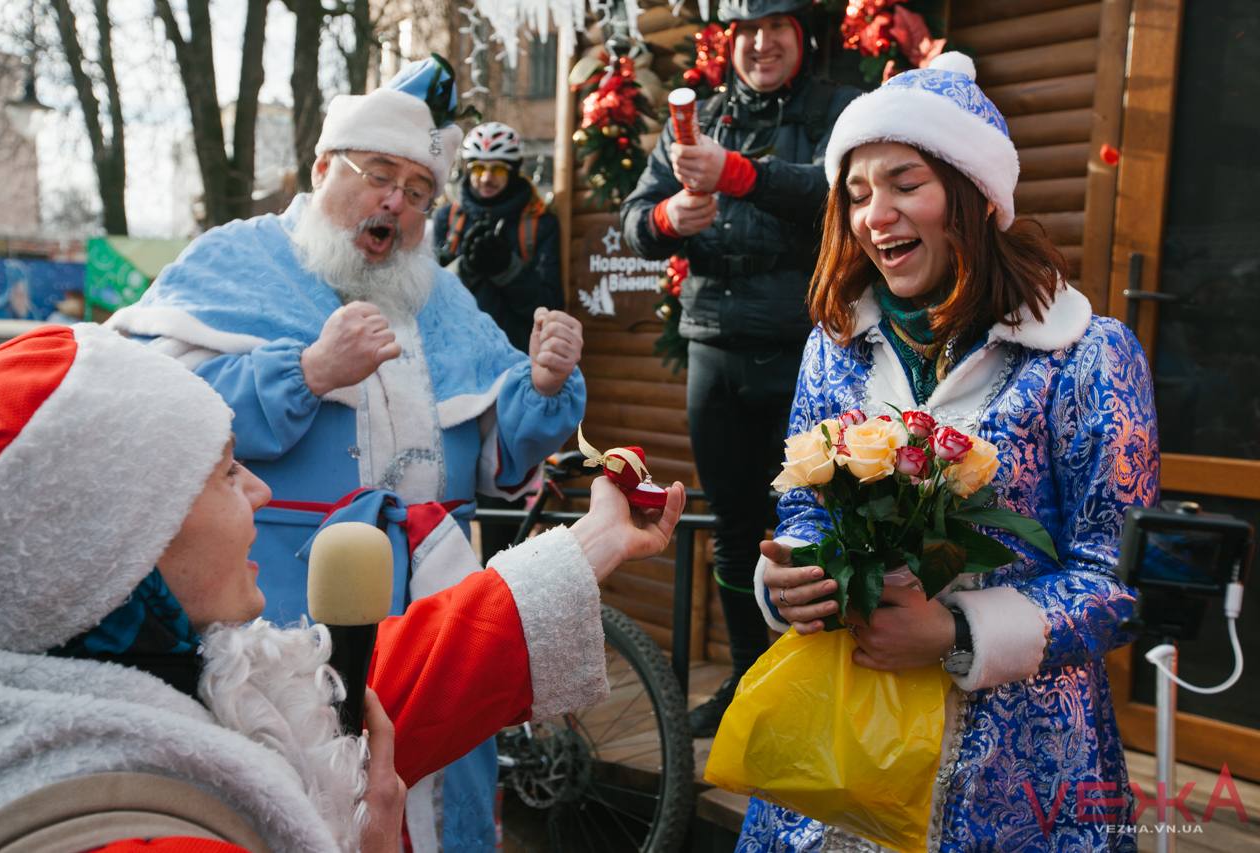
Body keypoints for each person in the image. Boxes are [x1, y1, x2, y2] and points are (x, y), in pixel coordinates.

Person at [106, 57, 584, 848]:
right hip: (286, 616)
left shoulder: (444, 296)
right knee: (295, 805)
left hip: (434, 617)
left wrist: (539, 388)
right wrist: (304, 374)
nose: (395, 201)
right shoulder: (239, 259)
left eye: (420, 190)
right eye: (378, 175)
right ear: (324, 166)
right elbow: (158, 413)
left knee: (437, 801)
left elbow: (498, 456)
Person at [0, 324, 686, 853]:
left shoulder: (150, 675)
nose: (260, 489)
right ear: (122, 539)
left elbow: (358, 702)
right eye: (228, 472)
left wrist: (597, 539)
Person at [739, 53, 1158, 852]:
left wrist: (959, 632)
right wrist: (794, 575)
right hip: (847, 751)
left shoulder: (1083, 355)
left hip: (1018, 768)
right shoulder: (837, 348)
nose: (876, 215)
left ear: (971, 196)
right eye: (857, 194)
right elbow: (802, 504)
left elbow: (1116, 578)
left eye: (905, 184)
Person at [619, 0, 859, 737]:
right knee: (734, 529)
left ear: (802, 36)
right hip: (715, 349)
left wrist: (743, 175)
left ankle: (816, 689)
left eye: (775, 29)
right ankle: (749, 682)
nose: (760, 44)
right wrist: (664, 223)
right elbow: (635, 220)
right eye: (747, 31)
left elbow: (841, 193)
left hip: (807, 351)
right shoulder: (702, 116)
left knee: (818, 526)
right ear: (730, 42)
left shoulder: (840, 108)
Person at [434, 121, 564, 564]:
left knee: (502, 501)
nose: (487, 178)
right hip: (452, 375)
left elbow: (552, 305)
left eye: (498, 170)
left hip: (510, 377)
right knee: (444, 491)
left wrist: (508, 269)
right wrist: (464, 272)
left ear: (515, 171)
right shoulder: (445, 218)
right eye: (478, 168)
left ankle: (496, 600)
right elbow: (424, 300)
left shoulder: (538, 222)